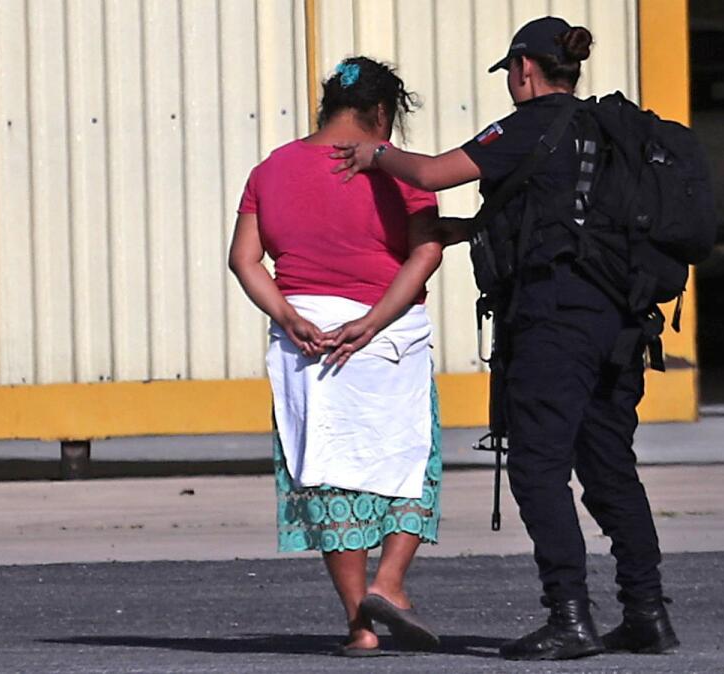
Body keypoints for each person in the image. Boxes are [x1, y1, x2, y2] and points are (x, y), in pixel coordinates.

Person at [329, 16, 680, 661]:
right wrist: (469, 231)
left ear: (524, 69)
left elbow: (433, 173)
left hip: (556, 322)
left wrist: (374, 155)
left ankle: (569, 616)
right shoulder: (604, 132)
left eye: (513, 73)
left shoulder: (529, 124)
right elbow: (554, 222)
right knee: (608, 467)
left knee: (538, 464)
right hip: (620, 322)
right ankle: (647, 612)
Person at [229, 57, 446, 656]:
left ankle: (361, 625)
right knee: (408, 466)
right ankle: (391, 583)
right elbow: (424, 254)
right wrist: (372, 322)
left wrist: (289, 315)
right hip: (386, 334)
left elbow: (244, 259)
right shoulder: (393, 168)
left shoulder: (271, 169)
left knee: (329, 474)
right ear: (381, 113)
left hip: (306, 341)